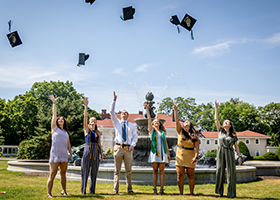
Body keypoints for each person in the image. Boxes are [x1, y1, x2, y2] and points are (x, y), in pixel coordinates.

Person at [110, 91, 138, 194]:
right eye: (122, 113)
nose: (123, 114)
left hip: (127, 149)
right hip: (118, 147)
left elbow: (135, 137)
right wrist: (114, 100)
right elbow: (111, 112)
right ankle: (115, 189)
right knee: (116, 171)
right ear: (120, 115)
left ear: (128, 115)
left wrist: (132, 145)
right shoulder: (116, 122)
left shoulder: (132, 125)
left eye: (125, 113)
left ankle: (129, 189)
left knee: (128, 171)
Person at [214, 100, 242, 198]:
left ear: (230, 125)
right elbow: (216, 120)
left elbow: (236, 146)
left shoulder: (233, 135)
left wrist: (239, 156)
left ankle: (231, 193)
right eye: (224, 122)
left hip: (230, 152)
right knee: (220, 171)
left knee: (231, 173)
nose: (225, 122)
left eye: (227, 122)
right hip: (221, 151)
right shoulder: (220, 131)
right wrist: (216, 108)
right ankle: (220, 192)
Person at [47, 95, 72, 198]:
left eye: (62, 119)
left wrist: (70, 154)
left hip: (64, 155)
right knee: (52, 174)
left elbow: (68, 144)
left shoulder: (66, 132)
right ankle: (49, 194)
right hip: (55, 155)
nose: (61, 120)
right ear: (57, 121)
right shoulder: (54, 129)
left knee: (63, 174)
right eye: (59, 119)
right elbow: (54, 114)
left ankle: (64, 191)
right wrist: (54, 103)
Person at [173, 102, 199, 196]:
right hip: (180, 155)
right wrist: (175, 110)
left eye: (188, 121)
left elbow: (197, 148)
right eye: (185, 121)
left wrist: (196, 157)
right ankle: (181, 193)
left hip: (190, 155)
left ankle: (191, 193)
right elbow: (176, 120)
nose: (186, 122)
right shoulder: (180, 131)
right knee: (180, 175)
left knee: (190, 175)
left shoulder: (195, 135)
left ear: (191, 124)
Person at [144, 102, 171, 195]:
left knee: (162, 171)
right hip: (154, 152)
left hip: (163, 153)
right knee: (155, 171)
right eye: (154, 121)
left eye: (157, 121)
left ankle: (162, 189)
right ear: (152, 124)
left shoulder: (163, 132)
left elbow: (166, 143)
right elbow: (148, 119)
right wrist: (147, 109)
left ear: (159, 123)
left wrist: (168, 153)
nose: (156, 122)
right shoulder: (151, 132)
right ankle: (154, 189)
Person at [81, 97, 103, 195]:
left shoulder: (98, 132)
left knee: (94, 172)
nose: (93, 121)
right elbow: (85, 118)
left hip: (96, 151)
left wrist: (101, 154)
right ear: (89, 122)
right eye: (91, 120)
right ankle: (83, 191)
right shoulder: (86, 129)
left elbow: (99, 143)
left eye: (95, 120)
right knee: (85, 171)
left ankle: (92, 191)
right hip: (87, 149)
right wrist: (86, 107)